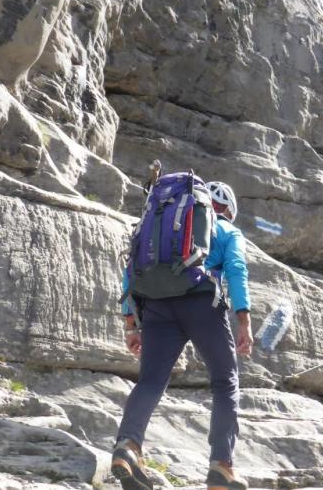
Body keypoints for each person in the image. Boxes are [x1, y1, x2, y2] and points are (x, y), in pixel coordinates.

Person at [111, 181, 254, 490]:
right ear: (227, 210)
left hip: (157, 306)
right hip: (202, 302)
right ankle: (221, 465)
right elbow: (236, 269)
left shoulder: (161, 224)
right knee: (225, 381)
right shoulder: (228, 231)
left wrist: (131, 324)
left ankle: (128, 446)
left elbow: (130, 269)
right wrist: (243, 318)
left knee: (150, 381)